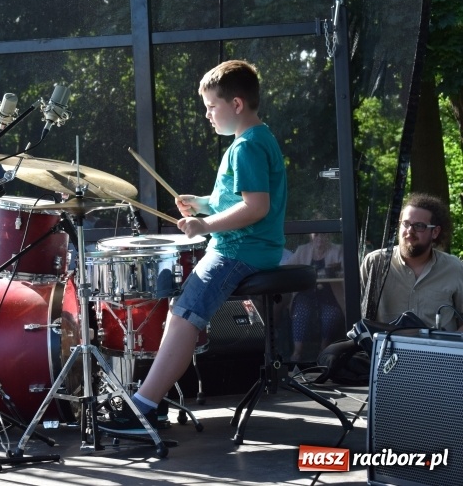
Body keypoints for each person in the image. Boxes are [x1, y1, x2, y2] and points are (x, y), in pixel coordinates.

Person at [99, 60, 286, 434]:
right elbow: (237, 198)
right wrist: (203, 204)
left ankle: (143, 408)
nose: (207, 115)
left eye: (211, 107)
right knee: (181, 312)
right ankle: (149, 402)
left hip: (239, 250)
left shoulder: (245, 147)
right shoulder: (256, 139)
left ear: (236, 104)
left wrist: (204, 225)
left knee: (184, 315)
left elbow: (256, 207)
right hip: (247, 246)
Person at [361, 193, 463, 330]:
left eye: (419, 226)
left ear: (435, 232)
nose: (410, 231)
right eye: (406, 224)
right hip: (387, 349)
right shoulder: (375, 263)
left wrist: (450, 345)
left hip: (437, 350)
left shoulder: (454, 268)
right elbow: (357, 313)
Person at [285, 232, 345, 362]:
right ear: (311, 236)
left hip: (330, 293)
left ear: (329, 236)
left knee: (331, 315)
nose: (320, 238)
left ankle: (323, 351)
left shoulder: (338, 250)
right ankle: (297, 353)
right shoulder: (302, 250)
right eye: (316, 234)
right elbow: (287, 267)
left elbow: (347, 270)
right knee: (300, 313)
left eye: (324, 235)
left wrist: (335, 272)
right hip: (306, 293)